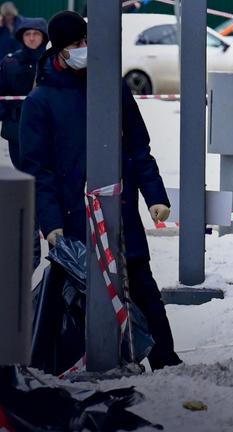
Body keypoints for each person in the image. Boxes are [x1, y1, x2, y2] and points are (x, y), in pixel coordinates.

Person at [19, 11, 182, 370]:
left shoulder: (112, 86)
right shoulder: (41, 102)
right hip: (71, 220)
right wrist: (51, 224)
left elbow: (138, 147)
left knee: (142, 287)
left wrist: (155, 196)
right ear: (60, 50)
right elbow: (38, 171)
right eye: (77, 45)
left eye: (87, 41)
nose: (85, 49)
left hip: (120, 213)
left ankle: (166, 361)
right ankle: (54, 365)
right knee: (70, 295)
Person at [0, 17, 47, 270]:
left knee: (43, 187)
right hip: (17, 135)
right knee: (24, 187)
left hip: (45, 136)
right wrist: (8, 115)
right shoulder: (9, 62)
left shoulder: (50, 62)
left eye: (36, 34)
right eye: (27, 34)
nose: (31, 38)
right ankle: (28, 250)